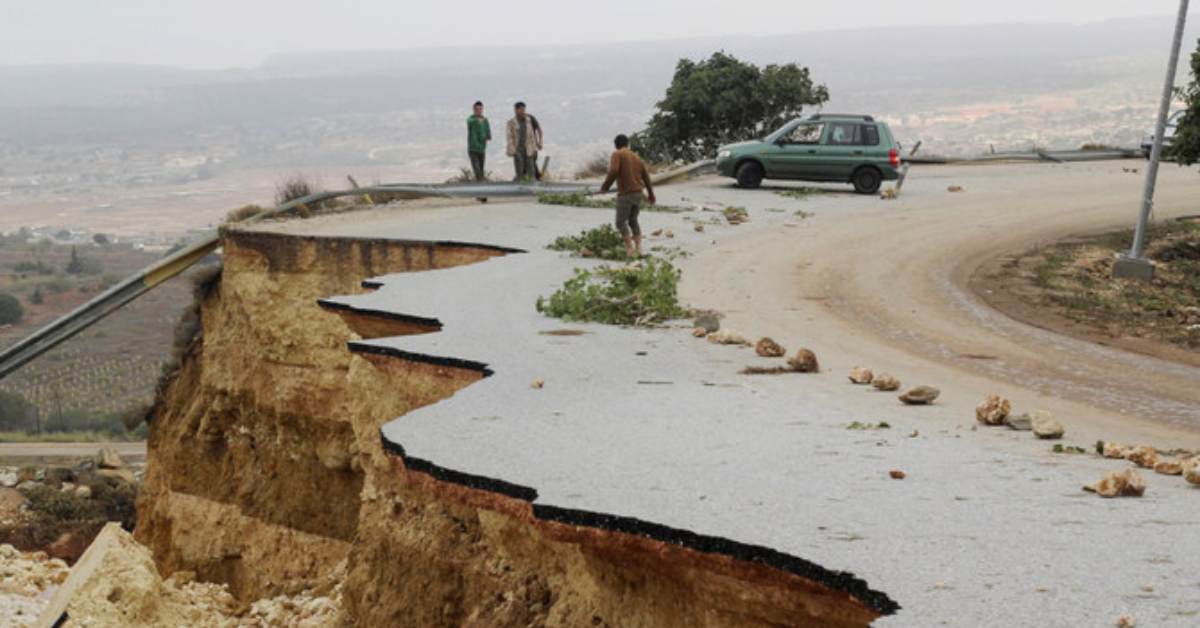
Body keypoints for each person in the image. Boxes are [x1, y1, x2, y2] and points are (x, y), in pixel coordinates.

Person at [599, 134, 656, 258]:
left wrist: (605, 187)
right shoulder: (636, 157)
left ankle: (629, 250)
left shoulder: (617, 154)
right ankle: (639, 249)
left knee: (620, 222)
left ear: (616, 145)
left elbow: (614, 171)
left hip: (626, 194)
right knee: (633, 220)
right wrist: (651, 195)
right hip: (638, 193)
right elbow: (646, 177)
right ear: (627, 144)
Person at [506, 102, 542, 181]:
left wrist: (539, 143)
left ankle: (533, 186)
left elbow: (538, 130)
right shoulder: (511, 123)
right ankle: (520, 185)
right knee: (520, 170)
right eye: (521, 109)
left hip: (529, 148)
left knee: (531, 169)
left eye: (524, 109)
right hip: (518, 150)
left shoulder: (529, 119)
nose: (523, 111)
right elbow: (509, 137)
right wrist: (512, 150)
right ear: (516, 110)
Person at [466, 101, 491, 182]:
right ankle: (481, 189)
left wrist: (486, 136)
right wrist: (478, 121)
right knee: (477, 171)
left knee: (481, 170)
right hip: (473, 149)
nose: (479, 111)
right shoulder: (471, 119)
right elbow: (469, 122)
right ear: (474, 109)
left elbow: (488, 134)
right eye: (477, 109)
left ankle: (481, 191)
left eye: (480, 109)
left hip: (482, 149)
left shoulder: (485, 120)